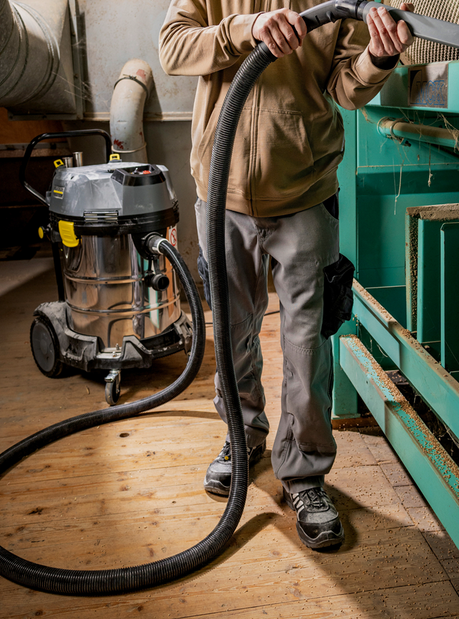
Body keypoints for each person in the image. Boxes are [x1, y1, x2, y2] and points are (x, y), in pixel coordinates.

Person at [159, 0, 413, 549]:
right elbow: (173, 48)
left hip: (305, 193)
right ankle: (242, 435)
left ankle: (304, 473)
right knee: (232, 331)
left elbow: (347, 87)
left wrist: (377, 56)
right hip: (222, 193)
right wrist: (245, 30)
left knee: (306, 344)